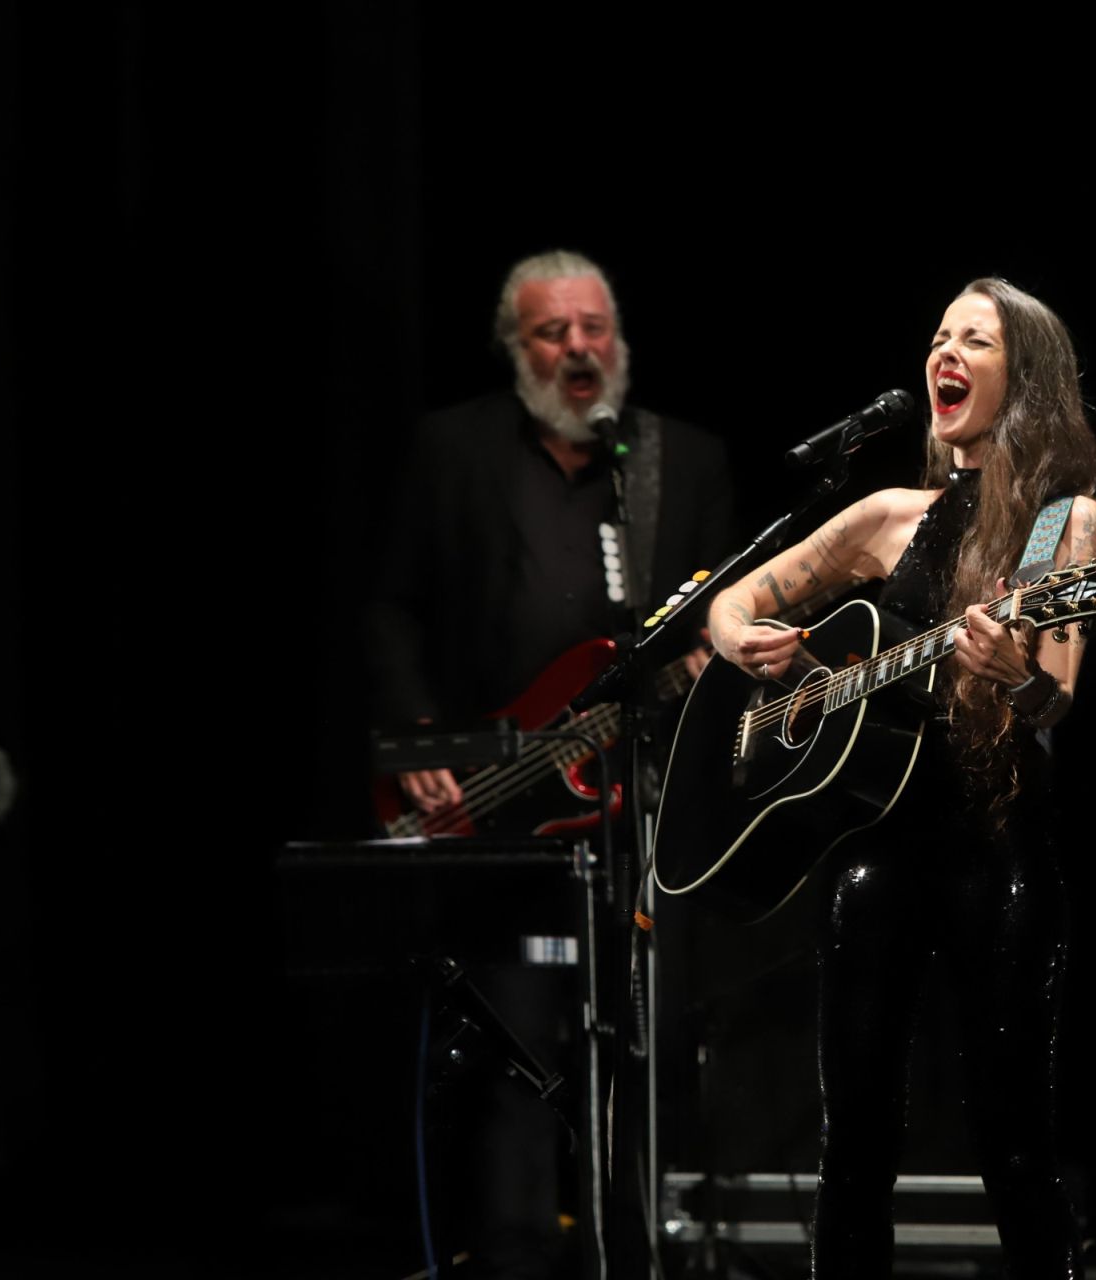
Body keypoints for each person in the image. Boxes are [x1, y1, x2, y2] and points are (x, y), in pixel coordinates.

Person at [706, 277, 1096, 1277]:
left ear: (1026, 376)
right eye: (939, 336)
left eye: (975, 339)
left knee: (1014, 1137)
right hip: (874, 845)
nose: (947, 351)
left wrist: (1012, 674)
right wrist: (750, 645)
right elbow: (729, 603)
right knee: (853, 1140)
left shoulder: (1070, 527)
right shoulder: (889, 512)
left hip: (997, 839)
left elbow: (1054, 697)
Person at [362, 249, 736, 1278]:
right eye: (552, 331)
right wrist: (423, 740)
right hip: (498, 809)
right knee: (516, 1057)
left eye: (594, 328)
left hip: (640, 814)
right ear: (515, 347)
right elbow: (390, 606)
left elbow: (728, 621)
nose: (578, 347)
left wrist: (719, 653)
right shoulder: (452, 450)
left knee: (644, 1058)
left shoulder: (683, 462)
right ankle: (518, 1253)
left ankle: (637, 1250)